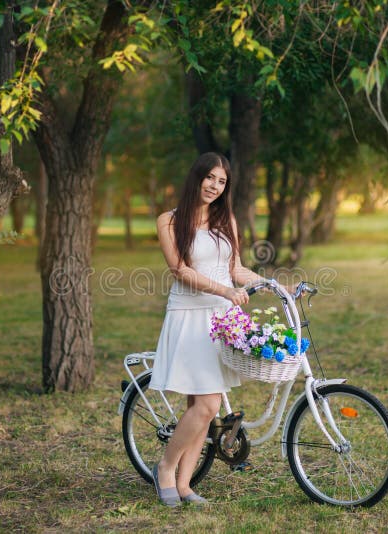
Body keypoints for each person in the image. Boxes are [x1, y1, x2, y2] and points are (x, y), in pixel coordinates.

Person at [149, 152, 268, 507]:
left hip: (220, 319)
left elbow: (235, 268)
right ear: (197, 176)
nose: (215, 187)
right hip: (189, 315)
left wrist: (272, 284)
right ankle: (166, 468)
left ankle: (184, 485)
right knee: (208, 403)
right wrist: (226, 292)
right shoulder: (168, 221)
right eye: (210, 178)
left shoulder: (225, 219)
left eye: (222, 181)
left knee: (201, 404)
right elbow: (180, 270)